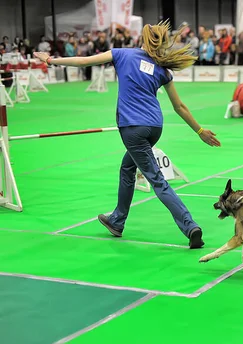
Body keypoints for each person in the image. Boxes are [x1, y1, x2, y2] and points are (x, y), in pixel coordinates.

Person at [33, 21, 221, 249]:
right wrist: (199, 130)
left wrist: (50, 60)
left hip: (133, 129)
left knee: (158, 182)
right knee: (127, 168)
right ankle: (117, 221)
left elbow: (83, 62)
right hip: (154, 128)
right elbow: (179, 106)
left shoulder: (122, 54)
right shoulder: (161, 67)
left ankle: (190, 226)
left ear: (143, 39)